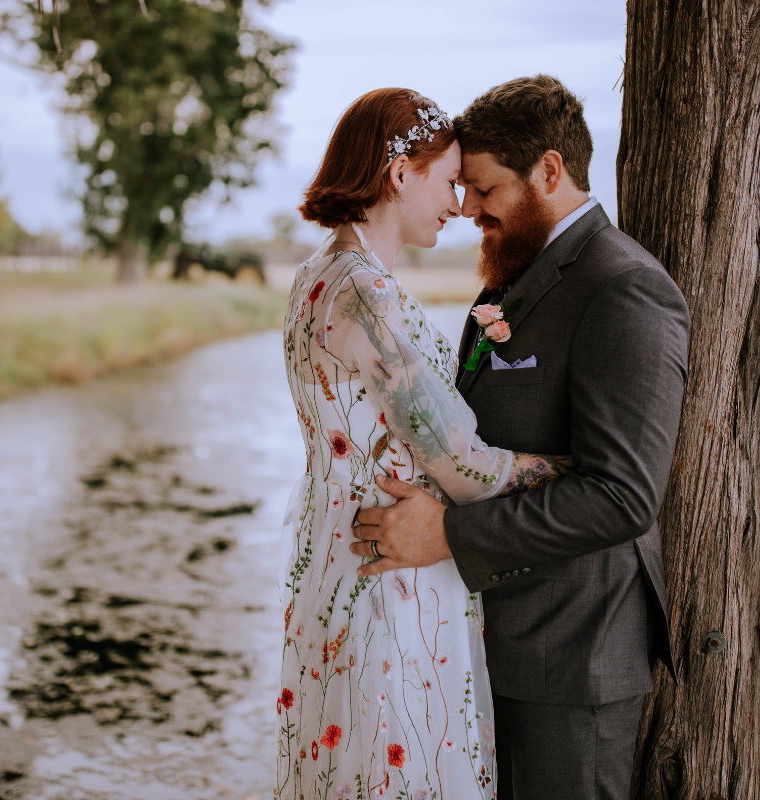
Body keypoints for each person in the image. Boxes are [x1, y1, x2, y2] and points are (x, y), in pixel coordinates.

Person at [349, 76, 690, 800]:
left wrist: (447, 537)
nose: (467, 207)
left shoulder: (623, 287)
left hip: (572, 660)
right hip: (489, 644)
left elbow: (622, 498)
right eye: (462, 189)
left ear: (549, 171)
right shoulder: (511, 279)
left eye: (483, 189)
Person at [277, 88, 568, 800]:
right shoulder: (364, 296)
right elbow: (459, 461)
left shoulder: (318, 274)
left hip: (344, 558)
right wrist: (568, 469)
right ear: (401, 174)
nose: (461, 202)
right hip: (391, 575)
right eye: (449, 180)